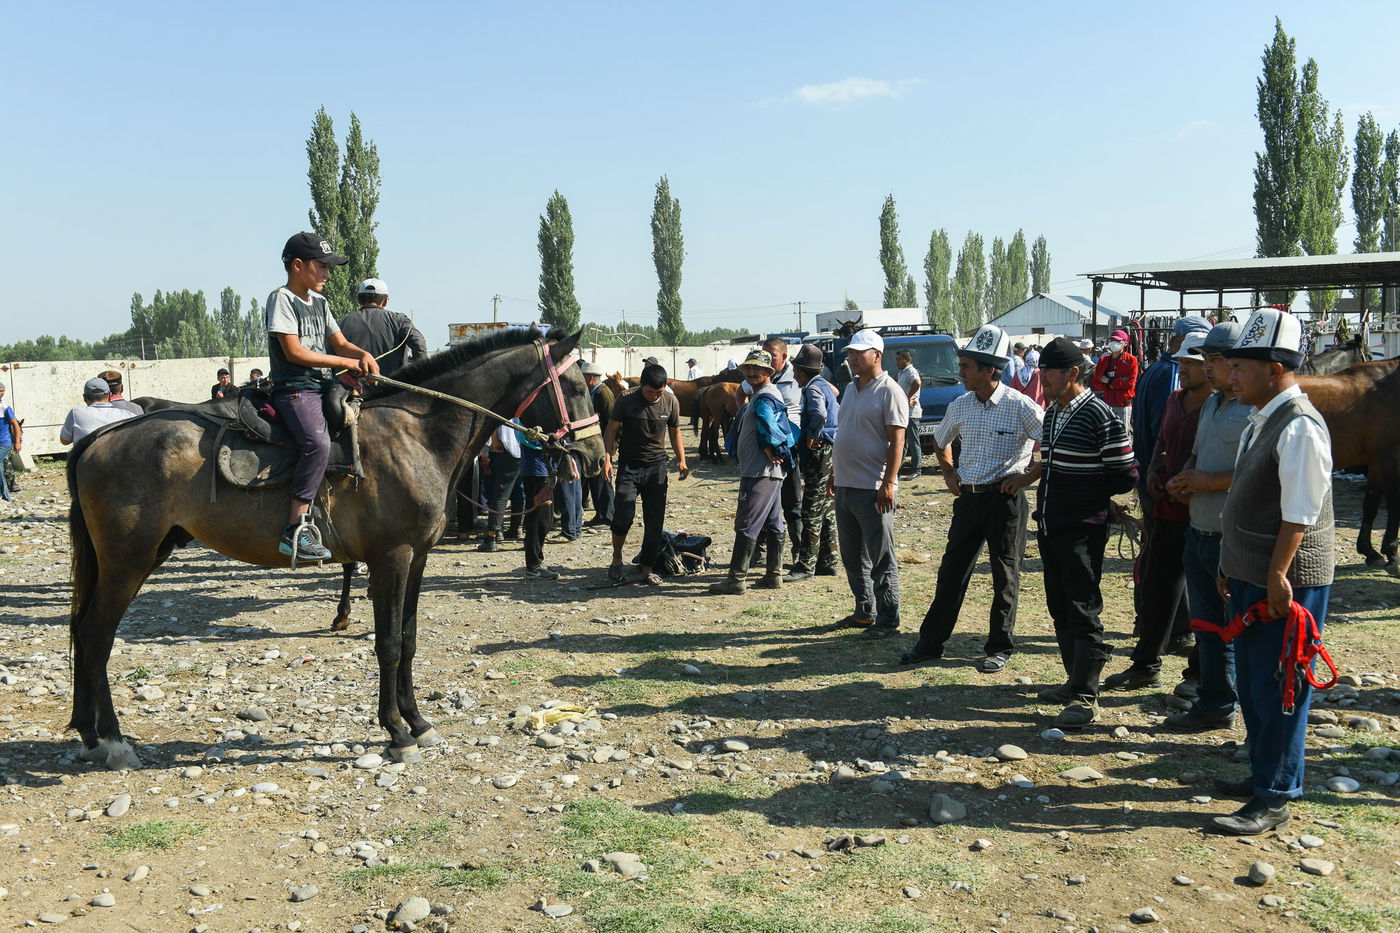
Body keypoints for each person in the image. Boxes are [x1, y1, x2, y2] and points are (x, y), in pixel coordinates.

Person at [1209, 309, 1334, 836]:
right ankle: (1264, 775)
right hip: (1252, 574)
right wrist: (1228, 564)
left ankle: (1276, 794)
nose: (1230, 376)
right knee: (1257, 684)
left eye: (1241, 367)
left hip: (1283, 580)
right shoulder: (1263, 418)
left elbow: (1300, 513)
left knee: (1281, 682)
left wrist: (1279, 575)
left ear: (1275, 368)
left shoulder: (1300, 425)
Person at [900, 324, 1044, 672]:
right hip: (969, 499)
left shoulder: (1019, 405)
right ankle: (930, 643)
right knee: (952, 572)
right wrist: (948, 472)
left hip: (1005, 502)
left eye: (966, 367)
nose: (960, 372)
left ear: (989, 370)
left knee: (1004, 574)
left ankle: (999, 647)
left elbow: (1052, 444)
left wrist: (1027, 476)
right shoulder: (961, 404)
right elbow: (941, 439)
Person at [1023, 337, 1137, 727]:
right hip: (1052, 527)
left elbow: (1124, 475)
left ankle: (1088, 696)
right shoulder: (1053, 413)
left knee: (1083, 609)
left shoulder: (1100, 414)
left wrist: (1093, 498)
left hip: (1083, 529)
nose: (1042, 380)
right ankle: (1074, 682)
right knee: (1059, 606)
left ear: (1072, 373)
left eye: (1047, 373)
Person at [1102, 332, 1212, 691]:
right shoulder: (1175, 400)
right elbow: (1163, 442)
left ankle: (1200, 673)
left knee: (1206, 597)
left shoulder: (1220, 408)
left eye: (1189, 364)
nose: (1182, 369)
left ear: (1208, 366)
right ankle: (1146, 663)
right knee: (1155, 589)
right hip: (1167, 509)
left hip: (1203, 515)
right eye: (1180, 362)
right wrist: (1151, 470)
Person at [266, 231, 379, 562]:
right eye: (322, 266)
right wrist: (345, 362)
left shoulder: (322, 302)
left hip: (324, 386)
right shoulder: (282, 299)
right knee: (317, 444)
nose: (328, 274)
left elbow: (341, 343)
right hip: (296, 389)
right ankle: (295, 531)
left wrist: (362, 355)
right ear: (298, 266)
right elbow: (294, 352)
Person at [1158, 321, 1248, 731]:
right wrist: (1184, 478)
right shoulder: (1212, 404)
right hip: (1199, 530)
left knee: (1238, 630)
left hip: (1233, 539)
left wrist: (1205, 482)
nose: (1207, 367)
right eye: (1205, 359)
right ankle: (1213, 704)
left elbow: (1257, 470)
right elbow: (1196, 454)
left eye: (1215, 360)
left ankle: (1237, 708)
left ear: (1238, 362)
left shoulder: (1255, 409)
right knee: (1208, 627)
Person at [829, 328, 908, 639]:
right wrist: (836, 471)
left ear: (876, 355)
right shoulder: (851, 389)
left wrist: (888, 482)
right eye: (850, 353)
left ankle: (889, 620)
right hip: (846, 485)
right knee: (852, 555)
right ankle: (865, 611)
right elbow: (845, 432)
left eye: (858, 353)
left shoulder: (890, 390)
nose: (851, 357)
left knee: (880, 557)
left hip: (873, 487)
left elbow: (897, 440)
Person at [709, 349, 793, 593]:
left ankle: (735, 579)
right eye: (749, 368)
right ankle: (773, 575)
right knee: (774, 521)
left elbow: (767, 422)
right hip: (767, 471)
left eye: (759, 369)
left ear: (769, 372)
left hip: (760, 472)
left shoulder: (765, 396)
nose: (753, 372)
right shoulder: (760, 394)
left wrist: (768, 445)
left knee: (747, 523)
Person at [603, 362, 688, 584]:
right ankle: (616, 558)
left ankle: (647, 567)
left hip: (657, 468)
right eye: (649, 391)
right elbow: (611, 430)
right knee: (623, 515)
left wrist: (682, 460)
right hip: (629, 466)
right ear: (642, 385)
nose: (653, 396)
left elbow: (675, 432)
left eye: (657, 392)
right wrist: (607, 458)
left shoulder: (670, 401)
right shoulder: (626, 399)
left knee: (654, 521)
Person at [784, 344, 839, 582]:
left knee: (811, 509)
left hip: (819, 452)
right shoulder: (824, 385)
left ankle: (806, 565)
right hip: (831, 449)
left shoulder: (811, 389)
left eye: (796, 371)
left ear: (803, 372)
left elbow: (819, 415)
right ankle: (829, 560)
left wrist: (811, 436)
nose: (794, 375)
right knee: (826, 508)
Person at [337, 278, 429, 375]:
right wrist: (420, 375)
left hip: (349, 388)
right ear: (385, 301)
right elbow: (419, 343)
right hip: (391, 388)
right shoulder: (399, 320)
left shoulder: (340, 323)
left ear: (359, 300)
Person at [479, 421, 524, 551]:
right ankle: (517, 528)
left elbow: (498, 423)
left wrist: (495, 440)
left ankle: (492, 535)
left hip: (507, 450)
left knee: (500, 494)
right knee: (519, 491)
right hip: (524, 450)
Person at [582, 363, 615, 527]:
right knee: (594, 481)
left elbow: (612, 423)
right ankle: (599, 514)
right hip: (593, 447)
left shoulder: (603, 394)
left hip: (603, 446)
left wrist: (610, 449)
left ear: (590, 378)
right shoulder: (592, 393)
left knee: (604, 479)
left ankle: (608, 516)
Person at [60, 376, 137, 445]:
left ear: (84, 398)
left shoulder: (76, 413)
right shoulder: (128, 416)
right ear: (110, 396)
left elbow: (64, 441)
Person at [1091, 329, 1138, 433]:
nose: (1114, 343)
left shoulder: (1131, 360)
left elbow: (1130, 384)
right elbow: (1096, 382)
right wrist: (1116, 382)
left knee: (1122, 434)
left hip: (1123, 404)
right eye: (1112, 340)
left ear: (1125, 343)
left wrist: (1108, 381)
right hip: (1107, 402)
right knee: (1107, 434)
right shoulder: (1104, 360)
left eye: (1117, 341)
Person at [894, 348, 923, 478]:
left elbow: (917, 382)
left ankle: (916, 470)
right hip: (903, 412)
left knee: (913, 441)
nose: (897, 362)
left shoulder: (911, 371)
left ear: (907, 360)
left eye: (899, 360)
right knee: (902, 441)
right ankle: (897, 468)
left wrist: (909, 397)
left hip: (911, 413)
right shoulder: (902, 373)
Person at [0, 380, 21, 501]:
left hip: (4, 443)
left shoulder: (5, 408)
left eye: (3, 391)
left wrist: (17, 441)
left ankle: (6, 495)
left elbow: (15, 425)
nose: (1, 394)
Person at [1008, 343, 1044, 408]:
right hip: (1037, 406)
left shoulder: (1017, 373)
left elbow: (1012, 390)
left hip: (1020, 406)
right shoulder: (1040, 373)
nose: (1024, 351)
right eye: (1022, 349)